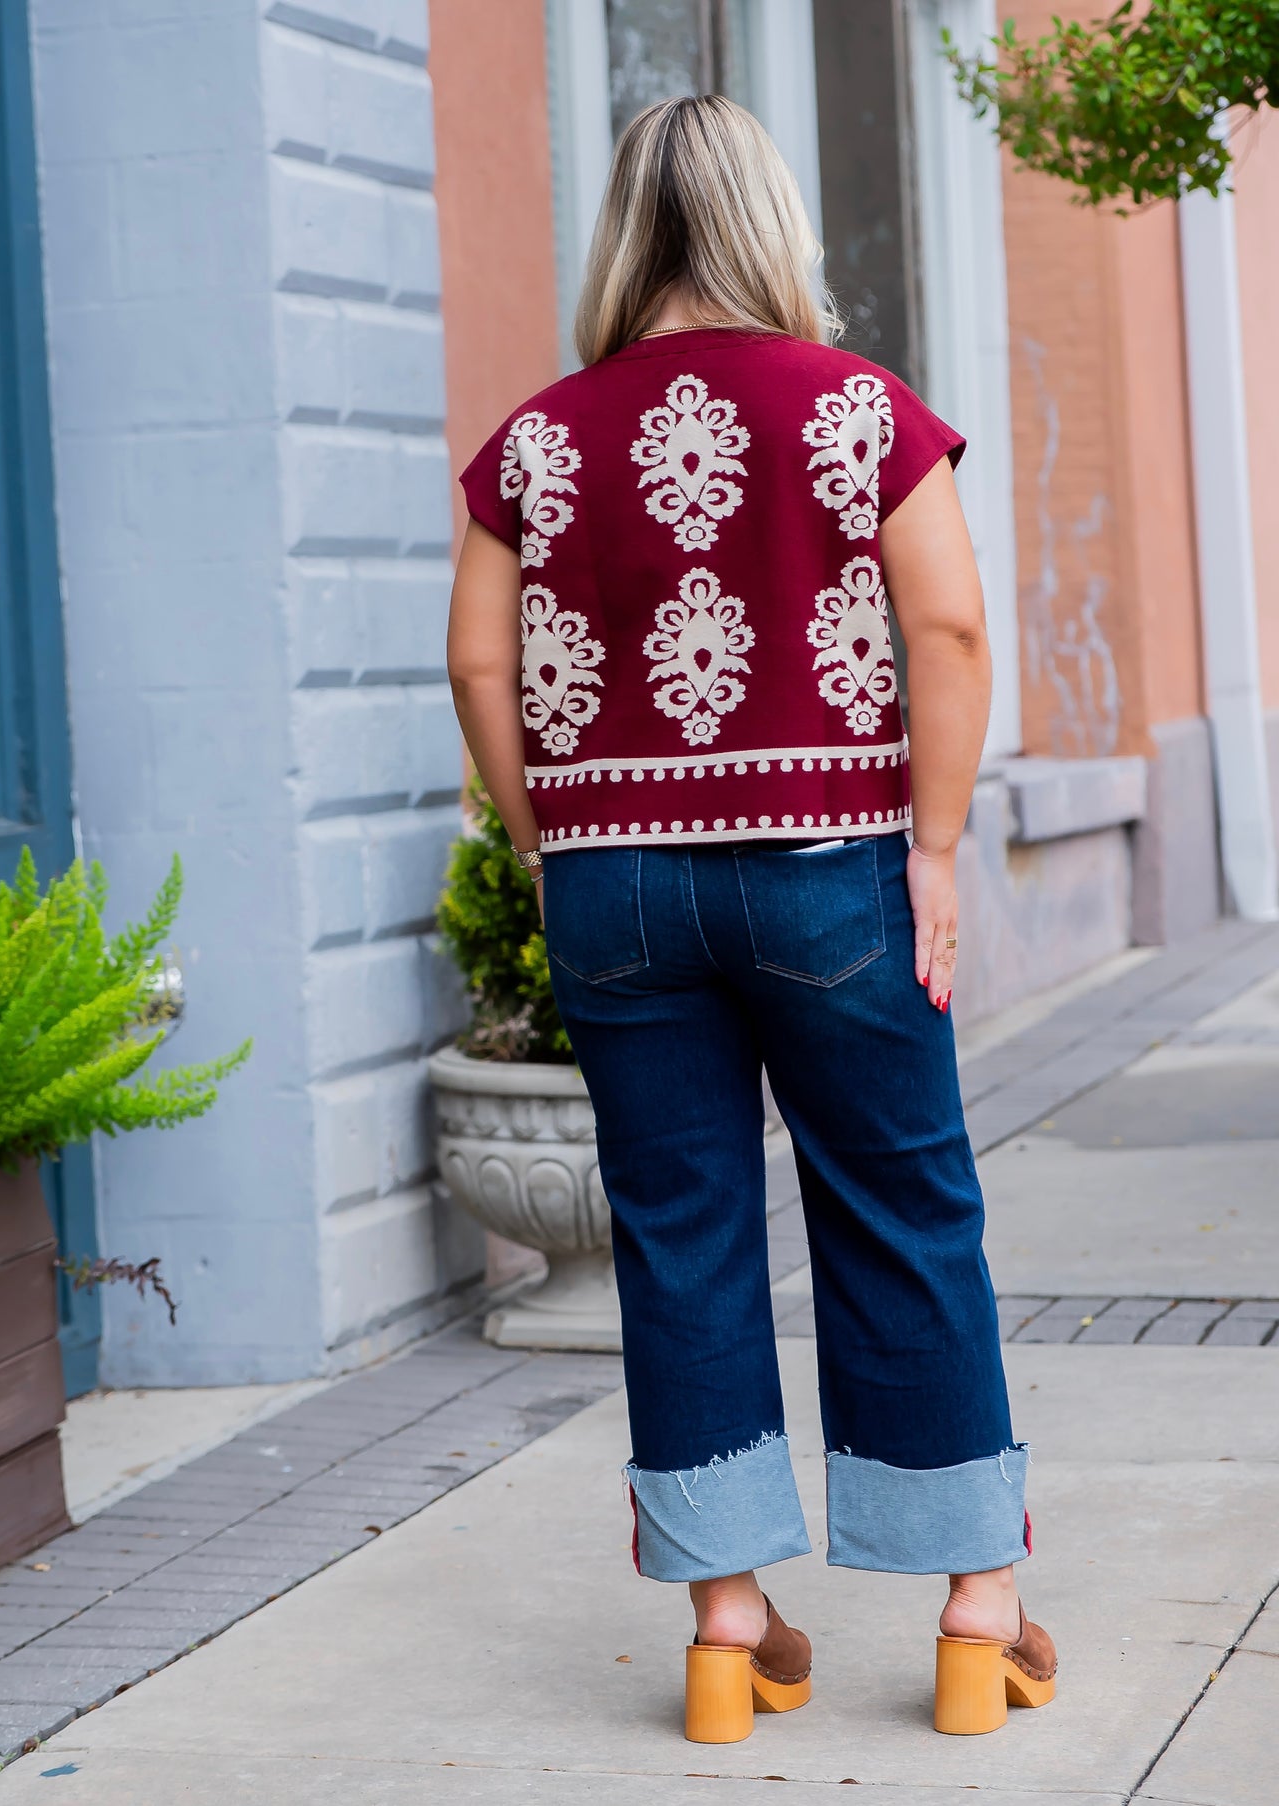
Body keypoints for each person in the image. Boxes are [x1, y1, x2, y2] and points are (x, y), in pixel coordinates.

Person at [445, 93, 1055, 1746]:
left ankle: (725, 1625)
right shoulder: (856, 410)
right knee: (902, 1206)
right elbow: (948, 629)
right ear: (768, 223)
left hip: (617, 884)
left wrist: (547, 839)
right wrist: (934, 848)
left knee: (678, 1225)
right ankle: (974, 1610)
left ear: (621, 237)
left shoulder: (535, 442)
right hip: (828, 865)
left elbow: (480, 661)